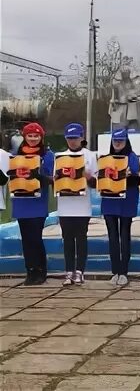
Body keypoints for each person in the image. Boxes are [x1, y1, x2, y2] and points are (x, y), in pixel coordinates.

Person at [11, 122, 54, 285]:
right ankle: (30, 270)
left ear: (41, 137)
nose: (33, 139)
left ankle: (41, 271)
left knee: (36, 238)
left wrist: (40, 176)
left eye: (36, 136)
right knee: (26, 239)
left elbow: (52, 178)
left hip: (37, 202)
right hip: (21, 201)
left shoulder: (47, 155)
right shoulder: (16, 155)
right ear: (24, 136)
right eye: (30, 135)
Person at [56, 123, 98, 286]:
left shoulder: (89, 156)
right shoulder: (60, 156)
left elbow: (96, 182)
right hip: (65, 204)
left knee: (81, 239)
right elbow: (56, 179)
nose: (72, 141)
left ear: (81, 138)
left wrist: (88, 178)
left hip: (82, 205)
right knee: (67, 239)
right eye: (69, 138)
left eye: (75, 138)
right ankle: (68, 271)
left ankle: (80, 271)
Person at [100, 128, 140, 287]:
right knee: (112, 237)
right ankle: (115, 271)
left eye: (121, 141)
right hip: (110, 201)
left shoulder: (132, 157)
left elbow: (138, 180)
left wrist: (130, 175)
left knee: (124, 236)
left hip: (126, 201)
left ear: (126, 141)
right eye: (115, 141)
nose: (118, 144)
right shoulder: (106, 159)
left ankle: (124, 272)